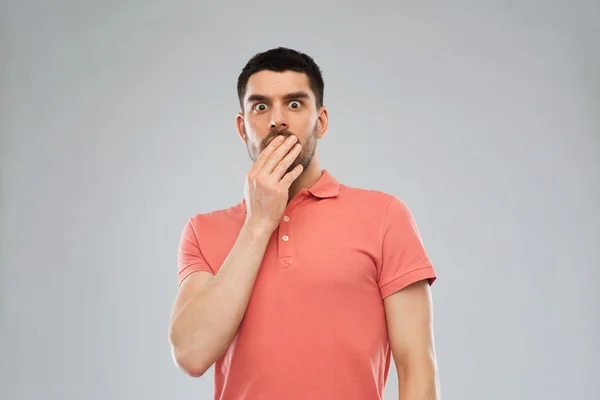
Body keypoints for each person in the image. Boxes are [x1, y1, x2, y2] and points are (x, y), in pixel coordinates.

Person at [168, 47, 440, 400]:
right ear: (242, 127)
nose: (277, 120)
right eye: (260, 106)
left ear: (321, 121)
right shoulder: (203, 231)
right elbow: (190, 354)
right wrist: (258, 223)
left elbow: (417, 366)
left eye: (295, 104)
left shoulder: (385, 216)